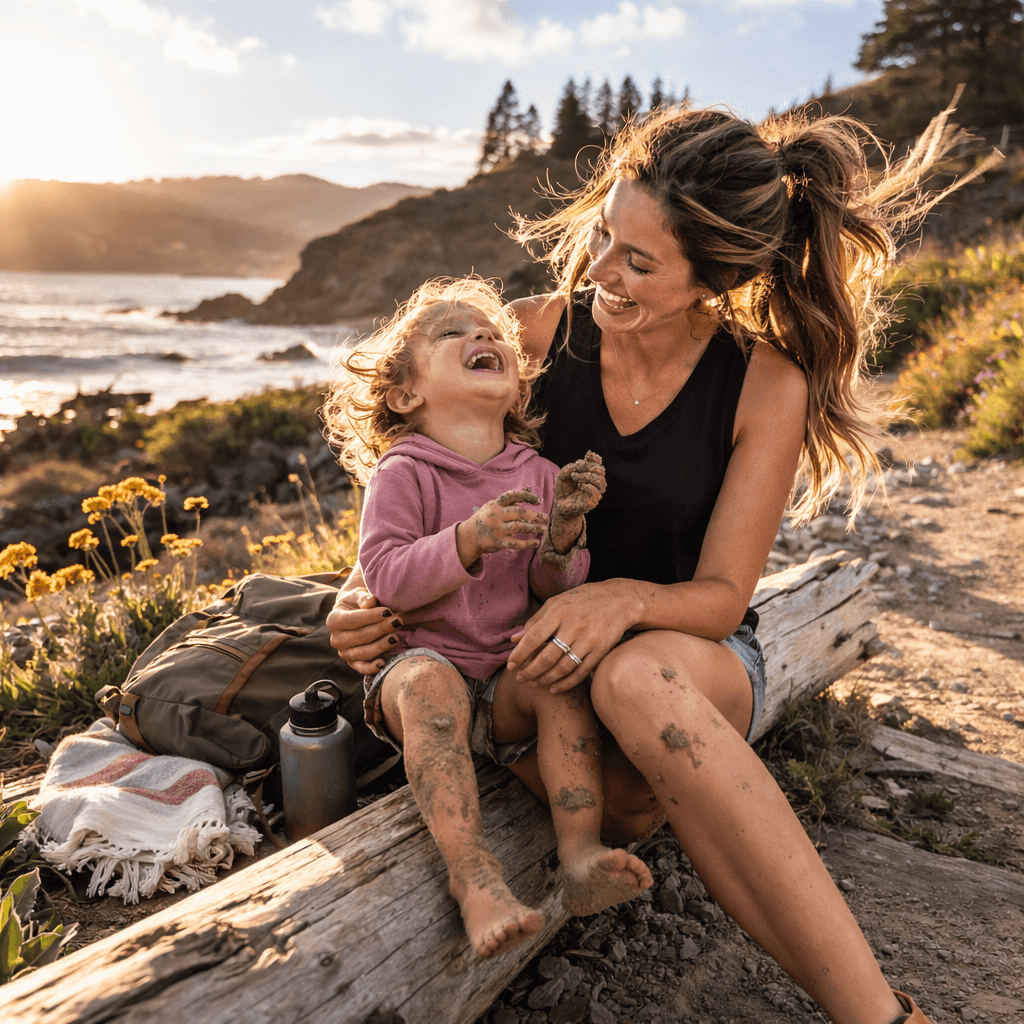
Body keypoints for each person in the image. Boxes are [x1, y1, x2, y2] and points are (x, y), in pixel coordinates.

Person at [327, 105, 980, 1022]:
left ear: (715, 279)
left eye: (638, 262)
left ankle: (881, 1014)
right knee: (623, 795)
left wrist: (622, 600)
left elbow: (719, 600)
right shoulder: (533, 336)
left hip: (689, 663)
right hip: (537, 672)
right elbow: (427, 486)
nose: (600, 271)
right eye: (603, 236)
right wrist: (359, 601)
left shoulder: (765, 382)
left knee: (633, 677)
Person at [321, 277, 653, 959]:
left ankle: (581, 852)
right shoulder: (404, 471)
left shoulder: (535, 472)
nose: (483, 336)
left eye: (494, 333)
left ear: (517, 386)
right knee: (428, 690)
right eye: (452, 332)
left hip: (503, 681)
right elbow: (385, 576)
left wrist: (563, 532)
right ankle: (474, 879)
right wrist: (467, 539)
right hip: (419, 669)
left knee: (558, 675)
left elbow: (550, 584)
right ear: (405, 394)